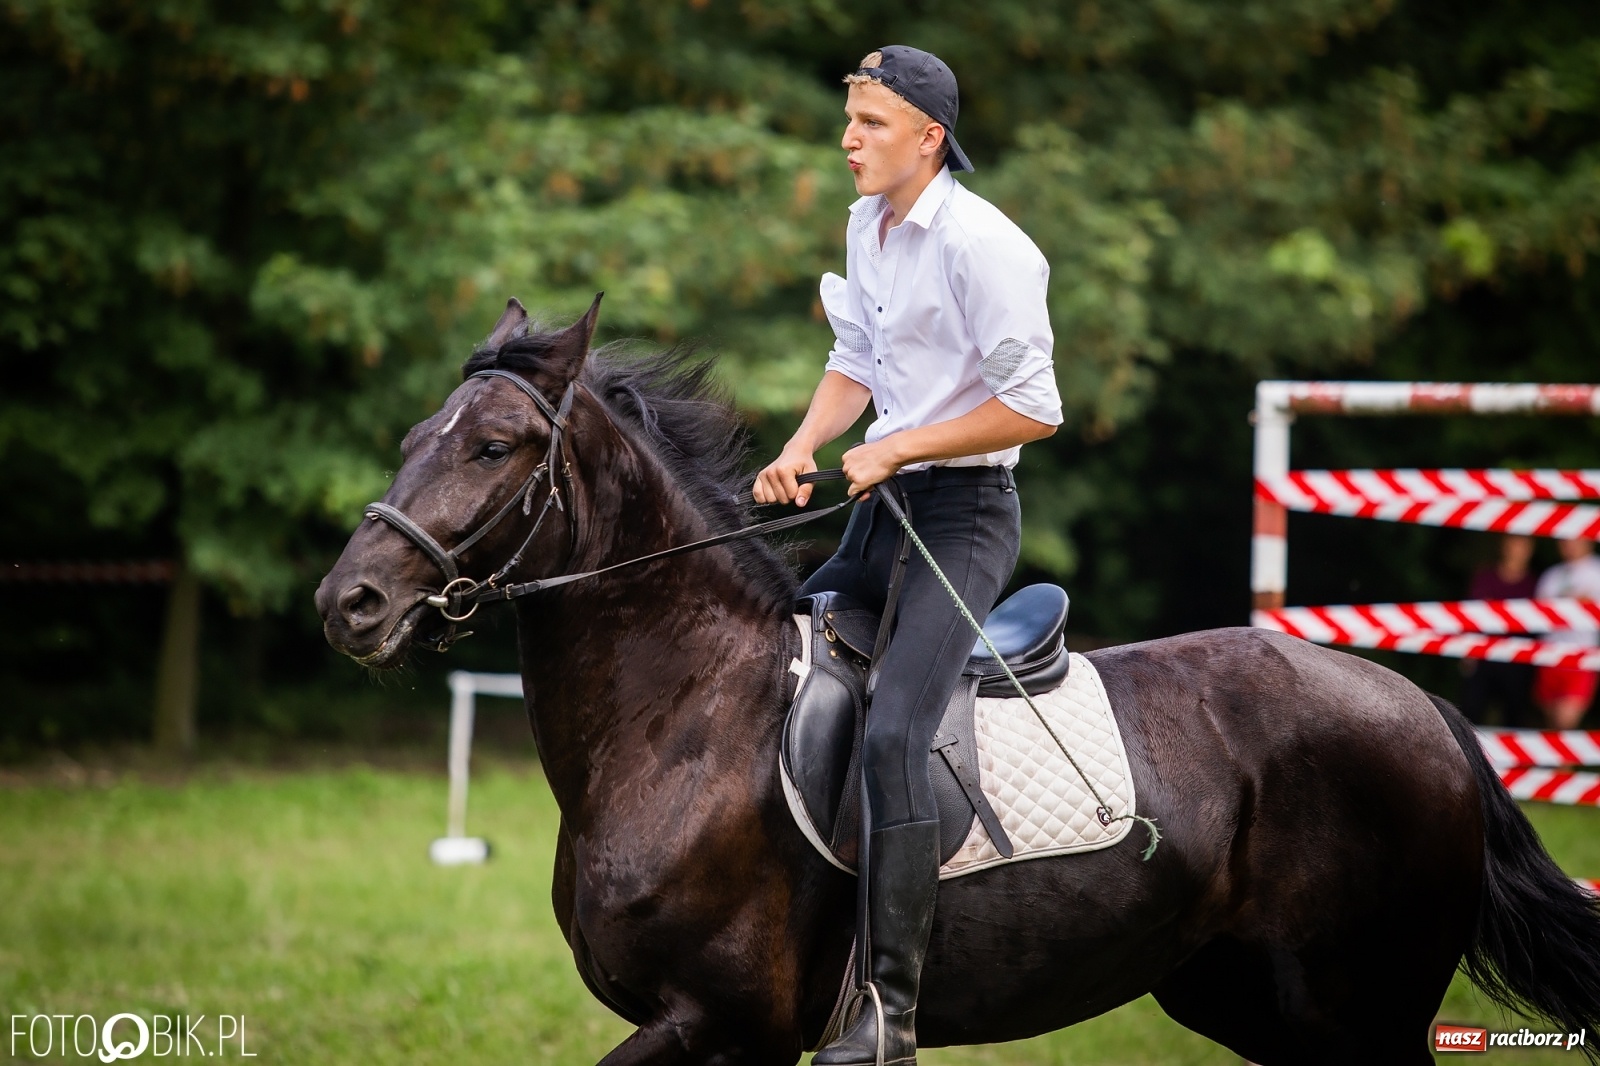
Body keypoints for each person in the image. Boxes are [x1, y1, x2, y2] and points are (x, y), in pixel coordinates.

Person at [752, 46, 1062, 1066]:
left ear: (929, 138)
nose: (848, 140)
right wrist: (803, 445)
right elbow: (854, 359)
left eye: (871, 123)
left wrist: (898, 443)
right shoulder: (866, 222)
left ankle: (890, 1012)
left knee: (892, 738)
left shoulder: (987, 247)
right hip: (883, 515)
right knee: (767, 662)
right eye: (849, 120)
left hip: (965, 520)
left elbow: (1034, 408)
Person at [1460, 534, 1538, 726]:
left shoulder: (1535, 585)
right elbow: (1471, 616)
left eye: (1522, 543)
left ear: (1531, 549)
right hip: (1483, 655)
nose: (1516, 548)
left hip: (1518, 660)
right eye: (1513, 542)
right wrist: (1467, 652)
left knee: (1514, 717)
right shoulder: (1485, 577)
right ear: (1503, 545)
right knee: (1470, 713)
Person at [1533, 537, 1600, 729]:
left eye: (1573, 538)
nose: (1567, 543)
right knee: (1551, 728)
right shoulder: (1551, 575)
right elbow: (1538, 614)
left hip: (1581, 659)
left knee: (1565, 725)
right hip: (1548, 658)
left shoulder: (1596, 571)